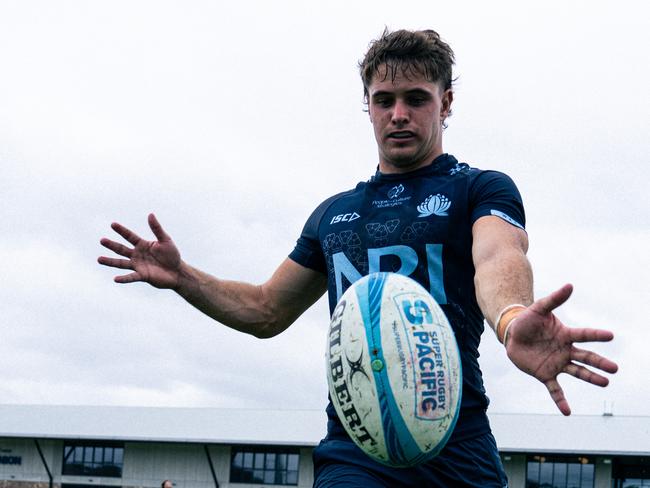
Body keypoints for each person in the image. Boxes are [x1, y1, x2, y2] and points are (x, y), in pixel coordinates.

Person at [99, 29, 618, 488]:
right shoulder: (334, 215)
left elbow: (497, 257)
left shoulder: (478, 189)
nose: (398, 114)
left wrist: (509, 319)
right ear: (367, 105)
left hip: (458, 446)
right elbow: (265, 310)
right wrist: (184, 277)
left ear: (447, 102)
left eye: (417, 98)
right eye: (383, 99)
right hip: (355, 453)